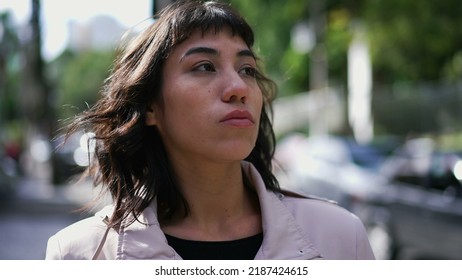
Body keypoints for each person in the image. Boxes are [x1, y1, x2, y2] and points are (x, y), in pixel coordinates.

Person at [45, 0, 375, 260]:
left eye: (247, 69)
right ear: (149, 107)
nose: (238, 87)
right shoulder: (80, 255)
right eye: (204, 66)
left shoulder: (341, 237)